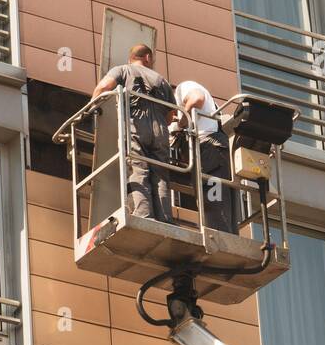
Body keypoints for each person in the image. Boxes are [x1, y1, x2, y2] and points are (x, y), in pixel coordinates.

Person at [91, 44, 175, 224]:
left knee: (138, 168)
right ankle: (165, 219)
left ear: (132, 58)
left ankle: (143, 214)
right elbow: (170, 117)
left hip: (136, 125)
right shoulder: (162, 81)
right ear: (147, 58)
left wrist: (92, 108)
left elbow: (103, 87)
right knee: (160, 174)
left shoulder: (122, 70)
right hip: (160, 130)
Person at [171, 79, 235, 233]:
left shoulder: (182, 89)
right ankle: (220, 235)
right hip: (211, 150)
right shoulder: (207, 113)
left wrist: (180, 124)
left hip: (210, 148)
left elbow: (196, 99)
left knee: (214, 201)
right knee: (211, 201)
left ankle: (219, 238)